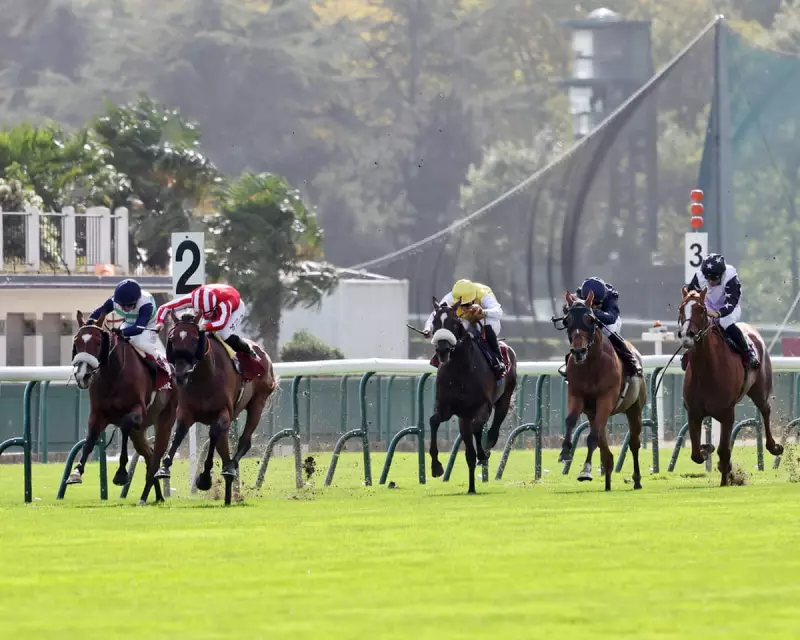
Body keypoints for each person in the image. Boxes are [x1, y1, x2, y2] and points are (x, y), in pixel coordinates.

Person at [684, 253, 758, 369]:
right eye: (708, 279)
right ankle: (689, 351)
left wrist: (718, 314)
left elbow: (731, 302)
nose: (711, 282)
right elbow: (691, 296)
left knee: (724, 322)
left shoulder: (731, 278)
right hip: (709, 305)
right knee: (698, 323)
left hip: (729, 307)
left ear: (722, 274)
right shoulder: (699, 277)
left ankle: (748, 352)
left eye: (714, 279)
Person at [559, 276, 642, 378]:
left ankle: (631, 361)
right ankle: (570, 362)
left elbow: (611, 318)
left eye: (597, 303)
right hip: (588, 320)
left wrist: (594, 312)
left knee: (609, 332)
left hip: (608, 322)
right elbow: (566, 308)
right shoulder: (580, 294)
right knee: (578, 332)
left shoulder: (611, 296)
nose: (593, 305)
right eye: (591, 303)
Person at [423, 279, 506, 379]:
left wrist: (483, 312)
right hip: (465, 322)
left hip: (485, 320)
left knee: (487, 324)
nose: (464, 308)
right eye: (461, 305)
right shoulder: (451, 297)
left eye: (467, 305)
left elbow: (498, 312)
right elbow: (435, 314)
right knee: (451, 323)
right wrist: (427, 328)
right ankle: (441, 354)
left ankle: (497, 360)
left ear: (473, 298)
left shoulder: (484, 294)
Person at [155, 283, 258, 359]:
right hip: (213, 304)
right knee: (199, 333)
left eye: (208, 313)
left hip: (235, 308)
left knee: (223, 334)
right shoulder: (191, 299)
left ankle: (248, 351)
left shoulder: (225, 304)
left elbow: (221, 323)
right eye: (202, 313)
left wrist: (204, 327)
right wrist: (160, 322)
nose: (207, 316)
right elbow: (164, 308)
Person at [89, 278, 170, 373]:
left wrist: (121, 332)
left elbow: (139, 329)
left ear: (136, 301)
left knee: (140, 343)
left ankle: (162, 364)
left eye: (127, 306)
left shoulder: (146, 305)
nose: (122, 308)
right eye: (121, 305)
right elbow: (98, 312)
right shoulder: (115, 300)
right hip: (128, 324)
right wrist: (88, 324)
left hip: (147, 327)